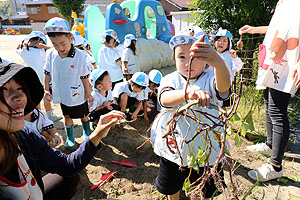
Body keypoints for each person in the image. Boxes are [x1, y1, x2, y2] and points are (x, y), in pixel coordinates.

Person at [0, 63, 124, 200]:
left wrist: (96, 135)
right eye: (4, 89)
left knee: (68, 178)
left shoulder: (25, 136)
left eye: (20, 88)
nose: (19, 97)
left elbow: (67, 165)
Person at [151, 29, 231, 200]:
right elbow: (164, 98)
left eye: (196, 57)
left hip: (207, 147)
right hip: (175, 146)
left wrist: (219, 63)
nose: (189, 62)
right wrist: (186, 93)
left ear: (207, 62)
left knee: (207, 185)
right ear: (173, 58)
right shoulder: (170, 79)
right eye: (182, 57)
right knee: (172, 183)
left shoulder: (210, 78)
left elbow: (223, 88)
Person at [239, 0, 300, 182]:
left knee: (277, 110)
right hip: (273, 58)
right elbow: (279, 27)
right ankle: (270, 144)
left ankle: (275, 166)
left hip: (288, 61)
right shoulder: (284, 3)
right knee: (268, 102)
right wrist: (253, 29)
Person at [43, 17, 94, 150]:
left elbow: (84, 76)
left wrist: (88, 93)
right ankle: (70, 138)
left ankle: (86, 131)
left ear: (71, 38)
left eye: (63, 44)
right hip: (62, 92)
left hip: (78, 92)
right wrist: (46, 89)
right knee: (66, 115)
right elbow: (47, 72)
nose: (60, 48)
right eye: (55, 45)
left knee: (84, 115)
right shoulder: (51, 54)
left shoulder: (80, 56)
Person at [16, 31, 62, 122]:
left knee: (35, 97)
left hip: (29, 78)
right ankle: (50, 115)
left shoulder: (24, 50)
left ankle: (38, 115)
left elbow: (17, 49)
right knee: (46, 96)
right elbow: (56, 50)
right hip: (43, 78)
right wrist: (44, 47)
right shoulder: (43, 52)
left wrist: (23, 44)